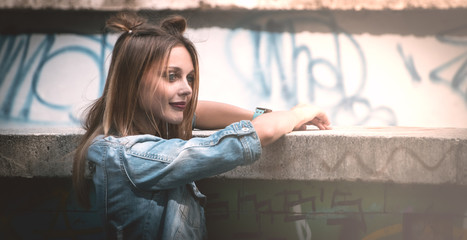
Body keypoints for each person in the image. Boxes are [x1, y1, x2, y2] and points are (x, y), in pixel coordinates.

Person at [72, 12, 331, 240]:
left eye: (190, 78)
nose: (186, 89)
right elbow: (259, 134)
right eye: (171, 76)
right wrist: (297, 113)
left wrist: (263, 113)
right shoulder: (133, 158)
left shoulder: (130, 133)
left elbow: (197, 110)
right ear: (134, 83)